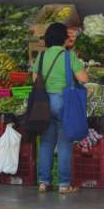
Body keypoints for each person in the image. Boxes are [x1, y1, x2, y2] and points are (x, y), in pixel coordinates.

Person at [34, 22, 89, 194]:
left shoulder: (41, 57)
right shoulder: (68, 56)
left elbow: (35, 80)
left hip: (43, 103)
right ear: (64, 38)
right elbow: (84, 79)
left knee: (46, 143)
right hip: (64, 102)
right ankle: (64, 184)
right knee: (65, 143)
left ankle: (44, 182)